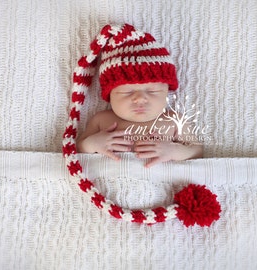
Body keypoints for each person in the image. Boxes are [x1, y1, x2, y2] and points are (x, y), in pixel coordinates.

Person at [74, 23, 203, 167]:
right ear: (109, 95)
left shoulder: (173, 121)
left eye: (152, 91)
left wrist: (174, 150)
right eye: (126, 92)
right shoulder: (102, 120)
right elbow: (78, 148)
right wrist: (93, 144)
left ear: (167, 91)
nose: (140, 98)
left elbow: (196, 151)